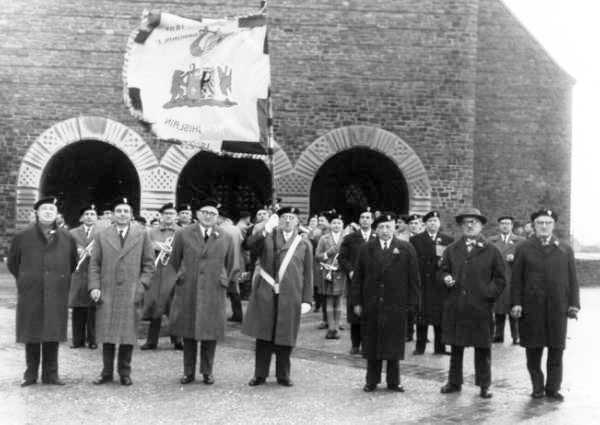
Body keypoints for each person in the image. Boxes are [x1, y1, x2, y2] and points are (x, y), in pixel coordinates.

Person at [511, 208, 580, 401]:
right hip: (531, 308)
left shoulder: (564, 248)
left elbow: (573, 279)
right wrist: (516, 303)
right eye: (540, 223)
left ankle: (553, 388)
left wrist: (574, 304)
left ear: (553, 225)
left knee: (556, 350)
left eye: (547, 223)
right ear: (533, 225)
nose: (543, 226)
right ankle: (537, 387)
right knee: (533, 350)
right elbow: (516, 279)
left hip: (557, 307)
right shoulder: (524, 248)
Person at [8, 197, 78, 386]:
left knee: (52, 332)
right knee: (32, 332)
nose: (48, 212)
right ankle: (30, 374)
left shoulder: (67, 237)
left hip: (56, 291)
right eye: (44, 209)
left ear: (57, 214)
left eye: (52, 209)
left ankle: (51, 374)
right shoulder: (23, 236)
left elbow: (72, 263)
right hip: (32, 291)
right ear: (37, 213)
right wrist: (27, 279)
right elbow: (13, 263)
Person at [439, 208, 506, 399]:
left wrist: (487, 294)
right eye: (466, 222)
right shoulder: (452, 249)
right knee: (456, 346)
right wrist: (445, 278)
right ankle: (454, 382)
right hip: (457, 306)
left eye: (474, 222)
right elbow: (442, 271)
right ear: (461, 226)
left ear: (481, 225)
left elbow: (500, 279)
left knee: (482, 347)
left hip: (481, 308)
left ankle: (484, 384)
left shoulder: (491, 251)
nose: (470, 225)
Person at [243, 206, 313, 387]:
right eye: (284, 218)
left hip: (290, 295)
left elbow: (308, 274)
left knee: (286, 336)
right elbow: (249, 245)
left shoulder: (304, 244)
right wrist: (265, 229)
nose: (287, 221)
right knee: (264, 335)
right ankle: (260, 374)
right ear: (278, 220)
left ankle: (283, 375)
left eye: (291, 217)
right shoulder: (267, 237)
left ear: (297, 221)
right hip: (267, 293)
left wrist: (307, 299)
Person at [169, 199, 237, 385]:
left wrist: (222, 279)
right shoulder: (183, 234)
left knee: (210, 332)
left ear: (217, 217)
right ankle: (188, 372)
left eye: (212, 213)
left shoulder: (225, 236)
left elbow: (231, 264)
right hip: (189, 287)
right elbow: (175, 260)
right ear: (198, 214)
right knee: (189, 332)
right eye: (205, 212)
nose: (208, 216)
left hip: (213, 289)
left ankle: (207, 371)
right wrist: (184, 276)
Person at [89, 197, 155, 386]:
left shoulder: (142, 234)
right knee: (107, 333)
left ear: (132, 215)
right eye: (119, 211)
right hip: (107, 290)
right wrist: (94, 286)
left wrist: (142, 285)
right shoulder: (102, 235)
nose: (122, 214)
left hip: (131, 290)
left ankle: (125, 372)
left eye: (126, 211)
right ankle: (106, 372)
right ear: (113, 214)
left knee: (127, 333)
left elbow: (149, 264)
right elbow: (94, 264)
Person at [352, 212, 419, 392]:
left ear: (394, 228)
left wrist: (412, 303)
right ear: (376, 229)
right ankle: (371, 380)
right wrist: (357, 302)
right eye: (381, 227)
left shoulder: (406, 249)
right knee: (372, 342)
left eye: (388, 226)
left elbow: (414, 279)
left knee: (393, 343)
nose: (384, 230)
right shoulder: (366, 249)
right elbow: (358, 277)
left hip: (395, 303)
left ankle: (393, 381)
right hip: (372, 303)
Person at [410, 211, 454, 355]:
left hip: (439, 284)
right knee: (422, 316)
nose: (433, 224)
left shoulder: (447, 240)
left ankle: (440, 347)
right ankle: (420, 346)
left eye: (435, 221)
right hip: (423, 282)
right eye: (430, 221)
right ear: (425, 224)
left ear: (439, 223)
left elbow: (450, 262)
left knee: (440, 317)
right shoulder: (416, 240)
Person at [141, 202, 182, 350]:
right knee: (155, 305)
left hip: (174, 272)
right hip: (156, 273)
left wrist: (174, 251)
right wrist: (154, 246)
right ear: (161, 216)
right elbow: (144, 249)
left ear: (176, 216)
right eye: (166, 214)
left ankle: (178, 340)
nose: (169, 217)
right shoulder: (151, 232)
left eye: (172, 214)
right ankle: (151, 341)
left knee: (174, 306)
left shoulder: (182, 232)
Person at [339, 207, 376, 354]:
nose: (365, 220)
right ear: (359, 221)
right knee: (355, 311)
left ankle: (368, 343)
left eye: (368, 217)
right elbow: (342, 257)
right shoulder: (350, 238)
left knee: (370, 312)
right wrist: (350, 270)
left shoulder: (377, 237)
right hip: (355, 281)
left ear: (372, 220)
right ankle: (355, 344)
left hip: (373, 281)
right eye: (362, 217)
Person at [487, 215, 524, 344]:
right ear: (499, 226)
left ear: (512, 226)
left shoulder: (520, 241)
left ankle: (516, 335)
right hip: (498, 278)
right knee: (499, 308)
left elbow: (525, 260)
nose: (505, 225)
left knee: (513, 307)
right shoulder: (491, 241)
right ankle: (498, 335)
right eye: (502, 223)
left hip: (513, 278)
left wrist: (515, 258)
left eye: (508, 223)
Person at [68, 204, 99, 350]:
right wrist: (77, 251)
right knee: (78, 308)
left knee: (93, 309)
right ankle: (77, 340)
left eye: (92, 214)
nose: (89, 216)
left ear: (96, 217)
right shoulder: (72, 233)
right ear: (81, 217)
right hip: (78, 274)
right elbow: (67, 251)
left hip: (94, 274)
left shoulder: (102, 232)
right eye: (86, 214)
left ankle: (93, 340)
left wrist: (96, 253)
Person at [315, 212, 346, 339]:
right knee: (328, 300)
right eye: (334, 223)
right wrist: (328, 253)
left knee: (339, 300)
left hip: (340, 272)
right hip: (327, 272)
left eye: (339, 223)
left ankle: (337, 327)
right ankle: (331, 327)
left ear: (343, 225)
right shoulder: (324, 238)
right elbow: (317, 256)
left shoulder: (346, 239)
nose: (336, 225)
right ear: (330, 225)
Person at [218, 209, 245, 323]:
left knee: (220, 291)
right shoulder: (236, 229)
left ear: (221, 217)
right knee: (234, 291)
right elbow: (242, 242)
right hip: (236, 262)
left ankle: (218, 316)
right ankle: (238, 314)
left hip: (223, 263)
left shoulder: (220, 229)